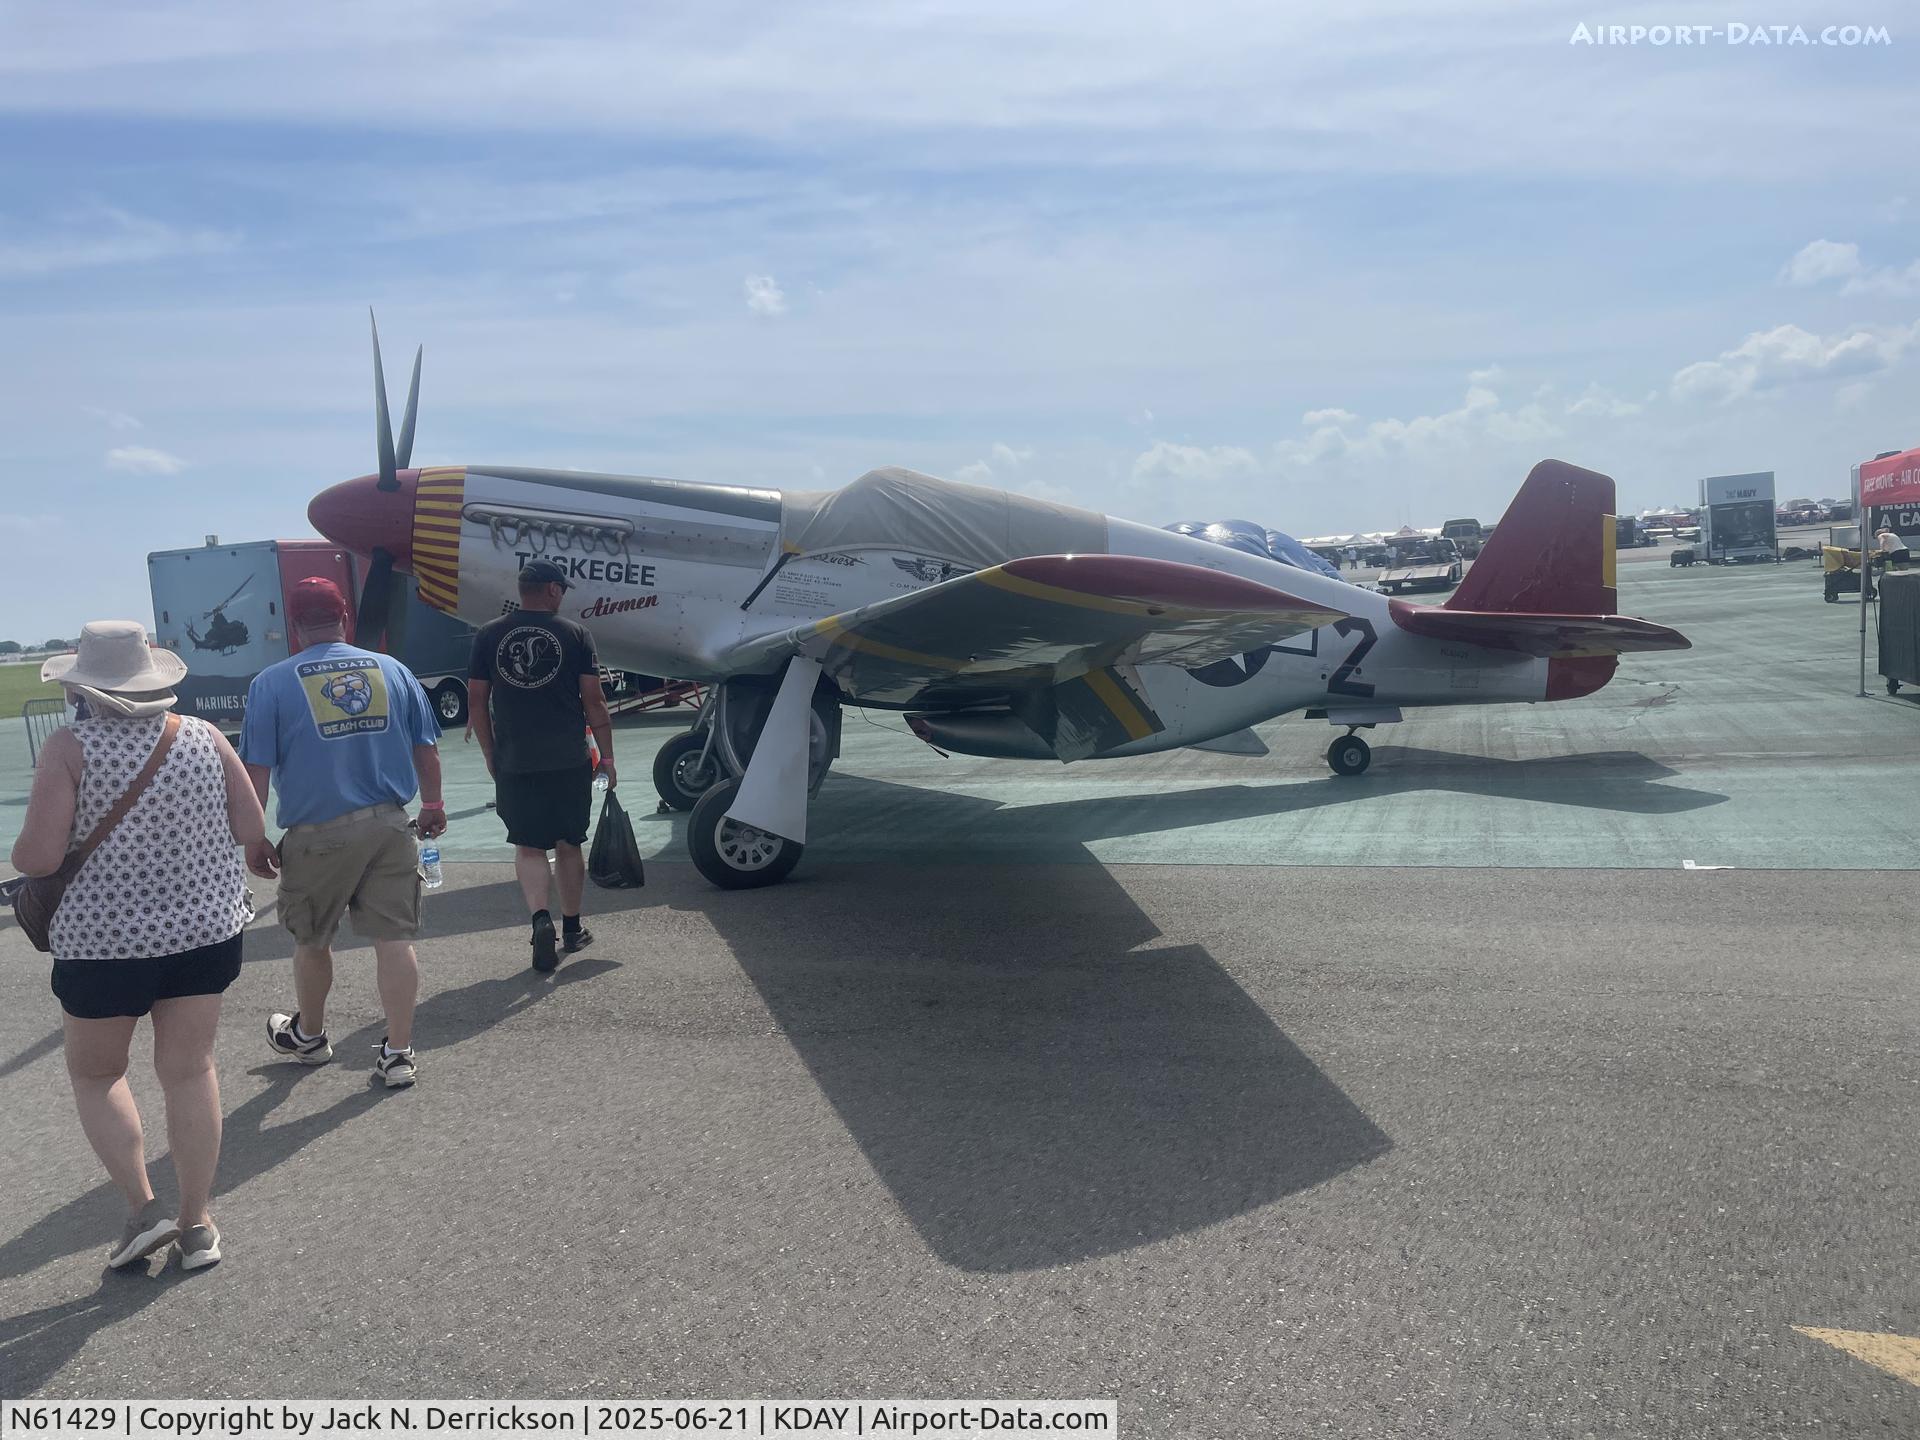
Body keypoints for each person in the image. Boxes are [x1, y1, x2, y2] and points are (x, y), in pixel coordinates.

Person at [11, 620, 261, 1272]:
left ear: (84, 689)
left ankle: (144, 1210)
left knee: (97, 1074)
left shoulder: (70, 747)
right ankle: (198, 1223)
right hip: (204, 935)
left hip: (102, 945)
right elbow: (250, 825)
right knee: (189, 1070)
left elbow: (38, 857)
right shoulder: (205, 736)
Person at [239, 578, 445, 1088]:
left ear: (293, 625)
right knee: (394, 938)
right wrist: (434, 803)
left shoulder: (272, 682)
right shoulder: (393, 671)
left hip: (319, 832)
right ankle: (398, 1052)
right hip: (391, 824)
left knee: (313, 939)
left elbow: (257, 770)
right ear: (345, 619)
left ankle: (310, 1036)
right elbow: (426, 747)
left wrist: (252, 835)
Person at [467, 558, 616, 972]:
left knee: (529, 846)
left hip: (516, 760)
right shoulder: (576, 635)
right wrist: (607, 756)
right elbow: (595, 701)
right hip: (568, 759)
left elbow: (476, 701)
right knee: (569, 845)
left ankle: (539, 920)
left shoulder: (488, 635)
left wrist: (490, 752)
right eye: (563, 589)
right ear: (552, 589)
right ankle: (571, 928)